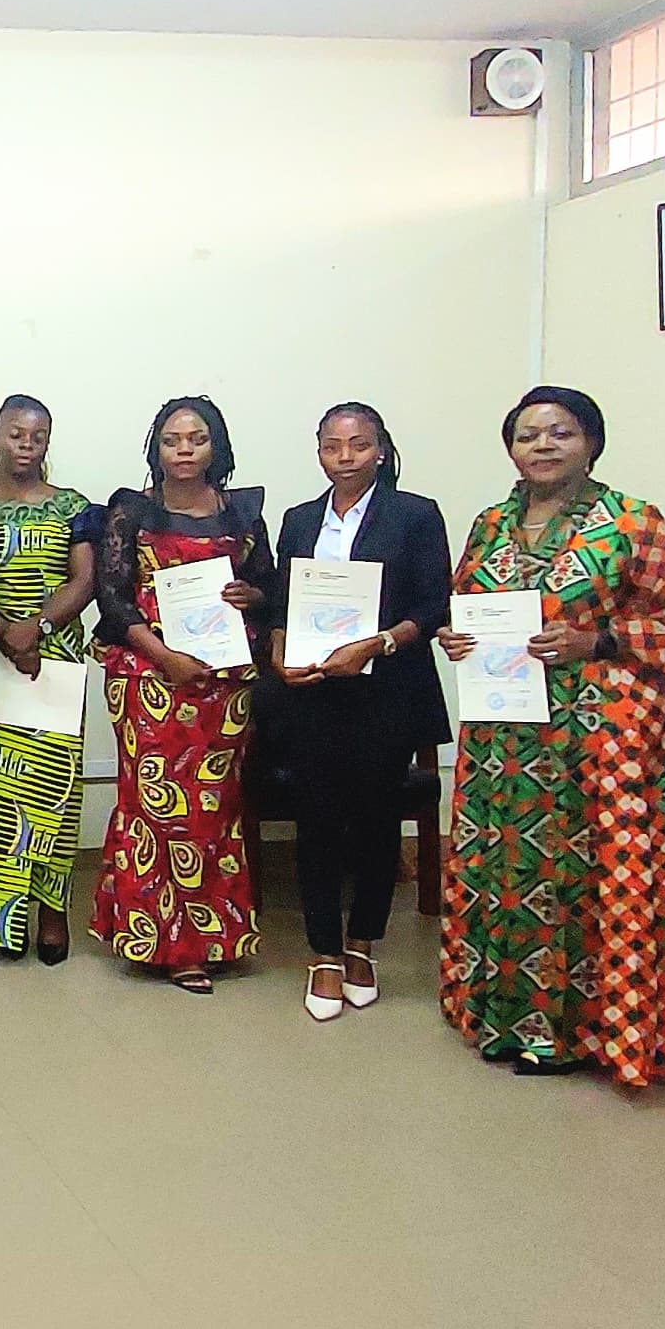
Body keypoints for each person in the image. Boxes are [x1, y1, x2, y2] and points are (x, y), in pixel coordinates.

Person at [436, 386, 665, 1085]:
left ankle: (593, 1031)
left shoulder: (632, 522)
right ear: (511, 449)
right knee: (507, 876)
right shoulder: (491, 522)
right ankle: (505, 1019)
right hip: (503, 736)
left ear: (591, 440)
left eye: (561, 432)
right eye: (529, 435)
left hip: (598, 738)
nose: (544, 445)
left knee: (585, 879)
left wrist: (599, 638)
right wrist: (459, 638)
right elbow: (471, 604)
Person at [266, 403, 452, 1022]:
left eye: (359, 445)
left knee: (375, 823)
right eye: (332, 446)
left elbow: (432, 605)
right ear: (318, 451)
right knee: (315, 821)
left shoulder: (415, 515)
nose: (345, 457)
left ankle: (362, 946)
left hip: (387, 692)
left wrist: (377, 644)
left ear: (380, 449)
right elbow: (279, 604)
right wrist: (278, 651)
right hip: (314, 692)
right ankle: (322, 954)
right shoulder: (297, 519)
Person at [82, 396, 273, 995]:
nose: (185, 450)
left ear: (217, 446)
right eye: (172, 440)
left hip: (223, 681)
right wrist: (163, 656)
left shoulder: (242, 514)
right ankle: (164, 942)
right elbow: (113, 598)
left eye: (197, 438)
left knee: (214, 808)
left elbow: (269, 587)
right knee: (155, 804)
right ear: (156, 448)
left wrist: (253, 598)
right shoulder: (130, 512)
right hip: (149, 677)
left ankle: (217, 936)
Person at [0, 395, 93, 962]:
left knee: (54, 800)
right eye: (16, 434)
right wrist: (3, 632)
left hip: (54, 663)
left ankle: (53, 913)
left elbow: (85, 580)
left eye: (37, 437)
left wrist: (34, 628)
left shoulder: (74, 506)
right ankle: (0, 921)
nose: (26, 445)